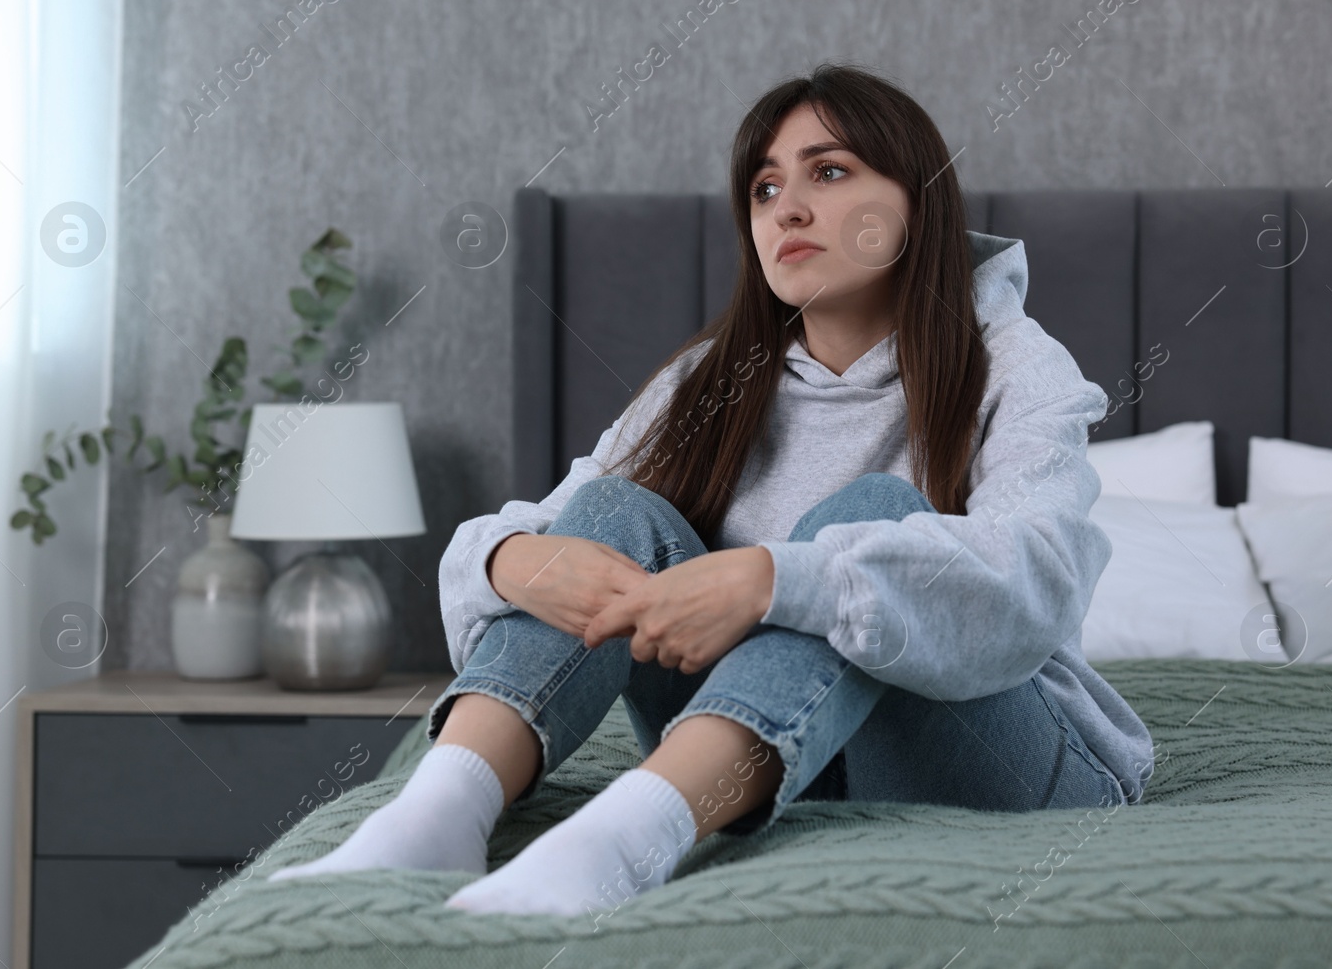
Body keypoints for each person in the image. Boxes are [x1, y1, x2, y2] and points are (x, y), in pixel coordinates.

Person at [269, 61, 1154, 921]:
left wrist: (776, 578)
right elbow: (551, 524)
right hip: (754, 754)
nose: (788, 208)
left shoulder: (1014, 361)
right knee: (617, 519)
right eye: (764, 190)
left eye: (831, 172)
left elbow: (1038, 571)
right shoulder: (708, 383)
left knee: (874, 522)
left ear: (916, 206)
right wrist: (516, 560)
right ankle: (440, 813)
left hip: (1000, 760)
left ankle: (626, 839)